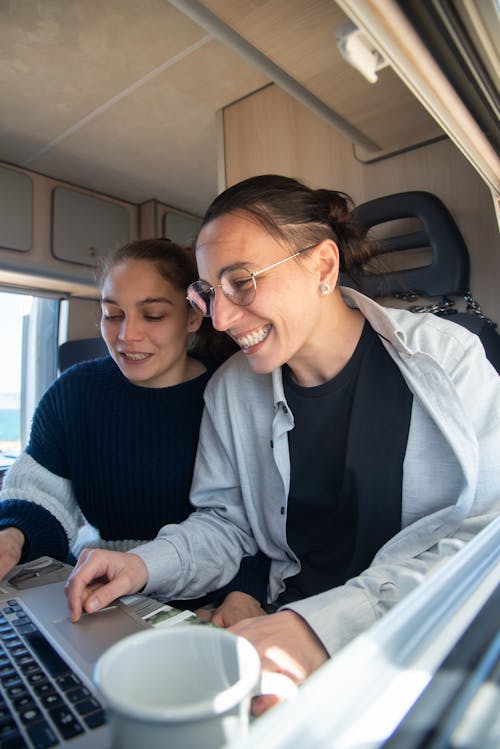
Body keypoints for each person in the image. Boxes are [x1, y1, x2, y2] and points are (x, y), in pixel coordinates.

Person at [65, 176, 500, 707]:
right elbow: (227, 526)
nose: (220, 319)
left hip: (410, 642)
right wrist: (145, 565)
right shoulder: (232, 390)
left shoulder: (449, 360)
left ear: (322, 266)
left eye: (241, 282)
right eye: (208, 292)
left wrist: (320, 629)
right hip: (277, 635)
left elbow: (485, 546)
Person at [0, 237, 268, 621]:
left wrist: (245, 590)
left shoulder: (229, 395)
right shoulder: (74, 392)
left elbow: (255, 520)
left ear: (193, 316)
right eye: (113, 314)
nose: (127, 335)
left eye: (153, 315)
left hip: (206, 598)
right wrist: (12, 536)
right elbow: (40, 495)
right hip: (95, 589)